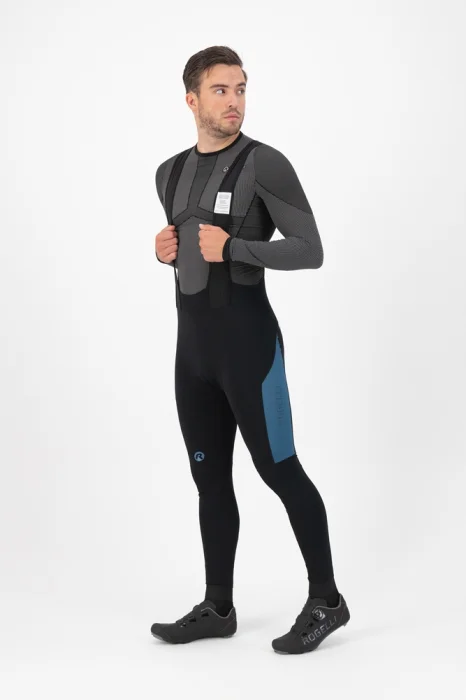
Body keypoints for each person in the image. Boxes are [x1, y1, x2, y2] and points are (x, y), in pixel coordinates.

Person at [150, 45, 350, 654]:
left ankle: (328, 600)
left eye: (240, 89)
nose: (234, 100)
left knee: (279, 469)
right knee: (209, 480)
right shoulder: (167, 173)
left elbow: (310, 249)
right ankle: (218, 606)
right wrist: (164, 251)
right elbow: (191, 257)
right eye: (220, 90)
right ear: (192, 100)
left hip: (249, 349)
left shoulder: (265, 164)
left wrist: (234, 248)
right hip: (193, 358)